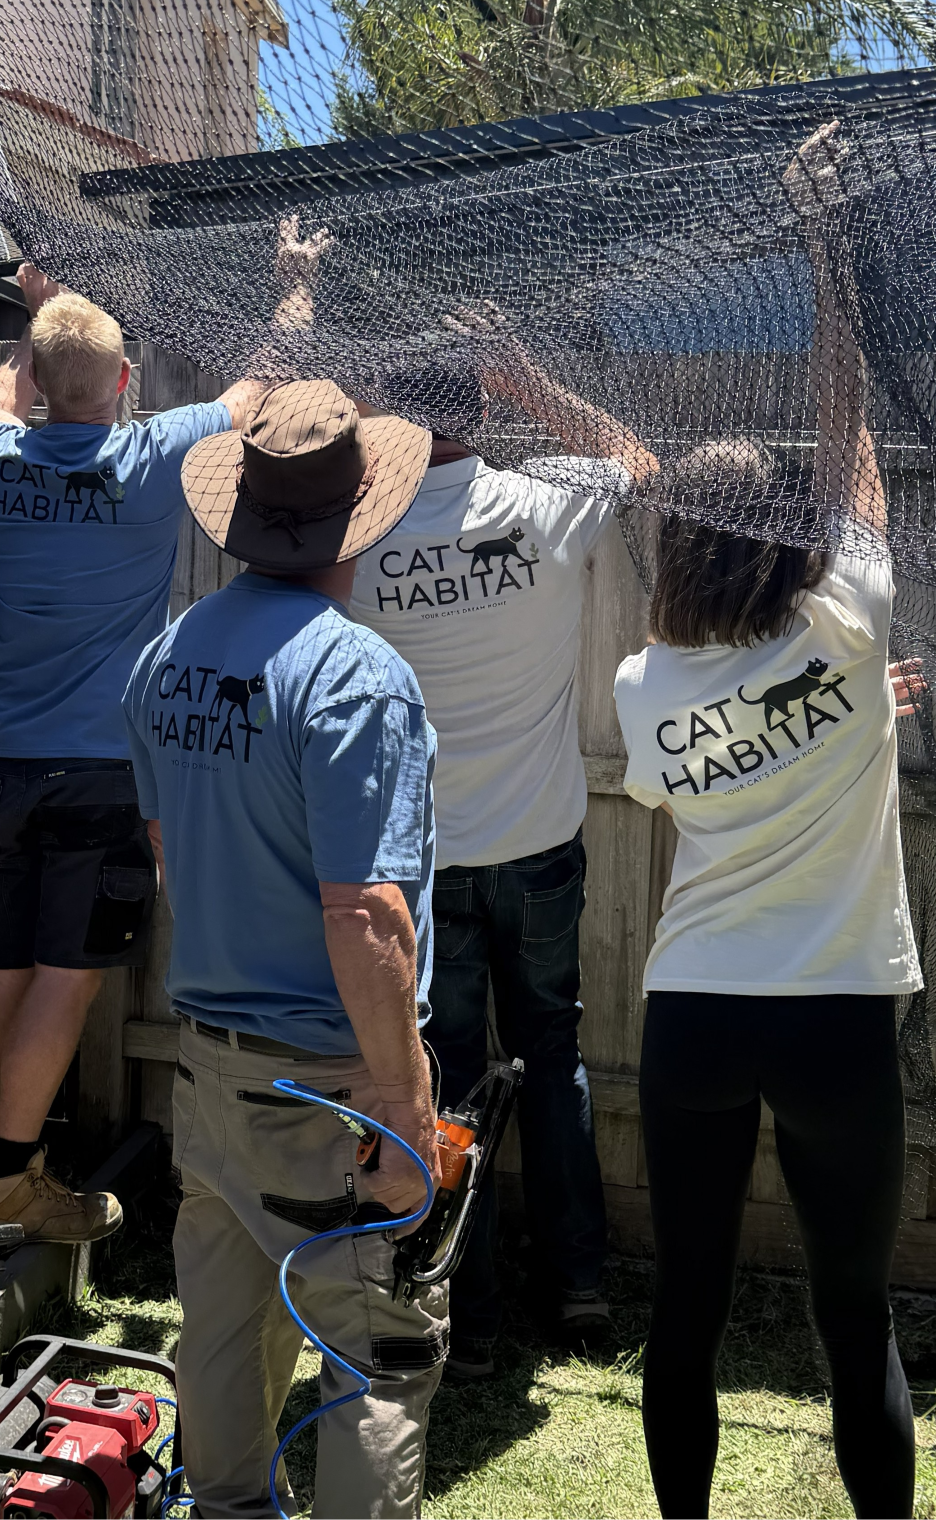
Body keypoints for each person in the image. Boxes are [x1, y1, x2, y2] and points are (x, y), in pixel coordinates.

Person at [612, 122, 925, 1520]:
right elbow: (845, 433)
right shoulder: (851, 626)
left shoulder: (643, 683)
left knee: (686, 1305)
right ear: (789, 537)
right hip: (840, 1011)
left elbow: (682, 787)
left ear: (677, 544)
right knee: (854, 1322)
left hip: (693, 1009)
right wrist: (830, 250)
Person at [122, 378, 444, 1520]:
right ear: (361, 510)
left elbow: (170, 844)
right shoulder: (358, 675)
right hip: (332, 1083)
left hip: (211, 1066)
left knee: (220, 1314)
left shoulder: (166, 659)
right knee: (375, 1342)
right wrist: (403, 1107)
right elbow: (366, 913)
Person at [0, 265, 263, 1241]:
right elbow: (255, 387)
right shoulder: (151, 455)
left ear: (39, 379)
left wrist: (37, 318)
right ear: (119, 384)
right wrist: (296, 292)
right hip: (103, 776)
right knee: (62, 981)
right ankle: (12, 1180)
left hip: (11, 773)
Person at [348, 318, 659, 1378]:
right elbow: (636, 457)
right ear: (481, 407)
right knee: (554, 1052)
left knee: (443, 1077)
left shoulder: (360, 532)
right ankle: (577, 1283)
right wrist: (528, 377)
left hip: (420, 862)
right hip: (538, 844)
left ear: (392, 417)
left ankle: (465, 1308)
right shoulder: (543, 501)